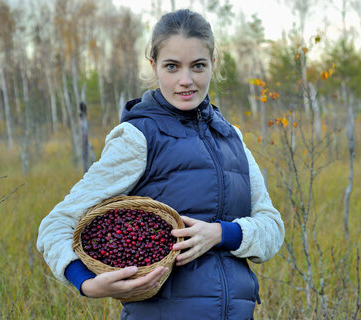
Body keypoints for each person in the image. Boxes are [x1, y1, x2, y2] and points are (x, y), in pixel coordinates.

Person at [36, 8, 285, 320]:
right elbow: (56, 225)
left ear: (212, 65)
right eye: (172, 66)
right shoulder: (138, 137)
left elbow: (272, 228)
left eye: (197, 66)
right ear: (153, 66)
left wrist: (221, 233)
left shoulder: (231, 137)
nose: (186, 80)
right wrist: (86, 283)